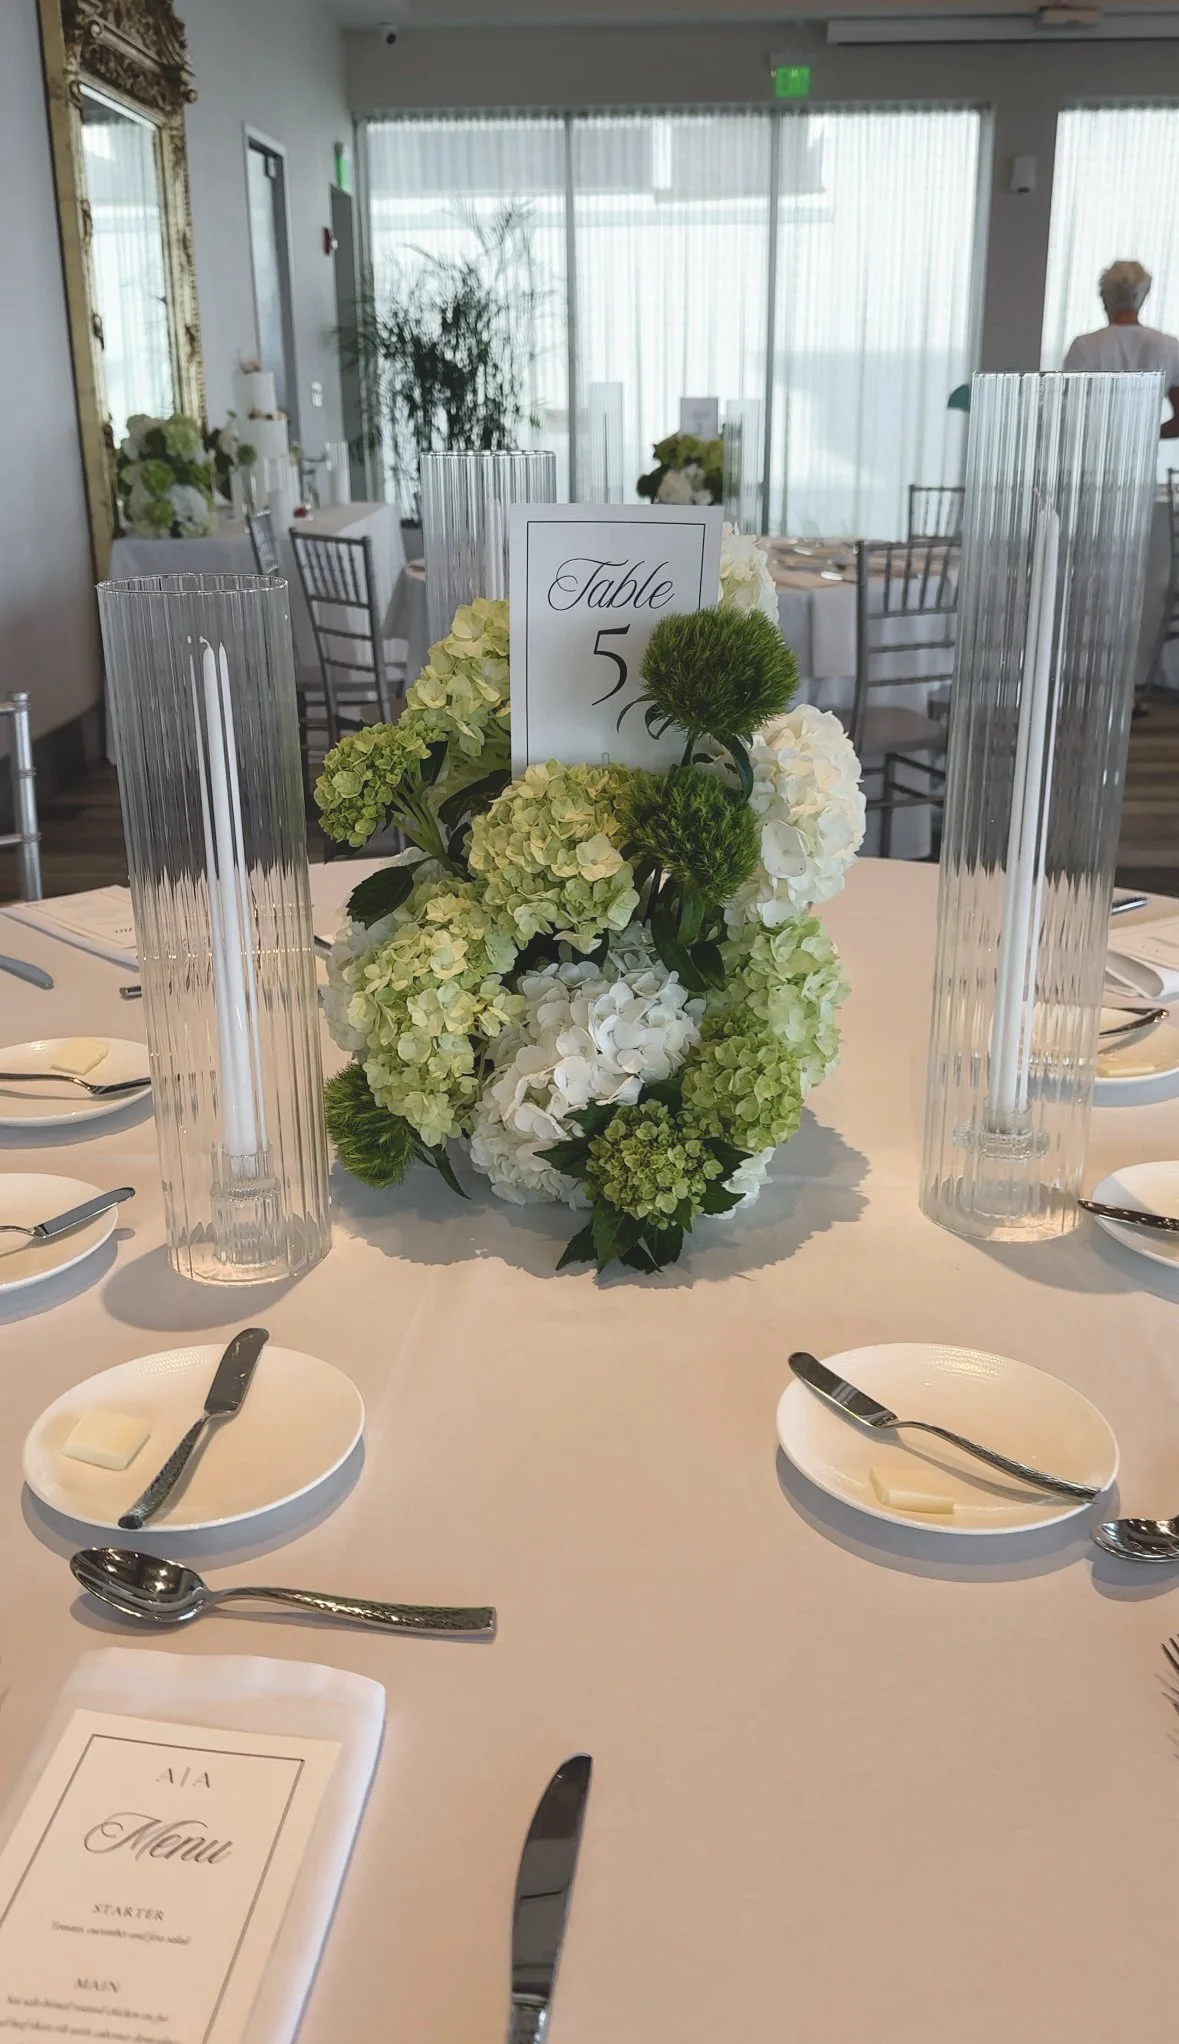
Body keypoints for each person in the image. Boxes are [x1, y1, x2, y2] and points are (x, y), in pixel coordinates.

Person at [1063, 260, 1179, 438]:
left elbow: (1067, 414)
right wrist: (1142, 438)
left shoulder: (1084, 346)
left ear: (1104, 298)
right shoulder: (1169, 346)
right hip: (1143, 460)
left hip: (1091, 456)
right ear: (1142, 296)